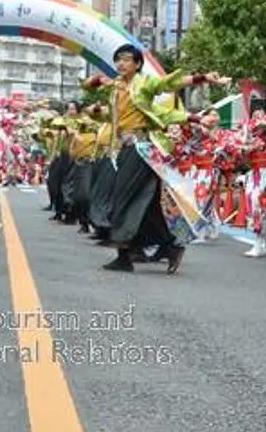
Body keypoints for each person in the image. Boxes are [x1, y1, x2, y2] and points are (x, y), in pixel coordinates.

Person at [80, 43, 227, 274]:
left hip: (140, 147)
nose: (121, 63)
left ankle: (125, 255)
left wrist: (203, 78)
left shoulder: (145, 84)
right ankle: (168, 245)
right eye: (118, 59)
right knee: (144, 202)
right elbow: (92, 90)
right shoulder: (116, 88)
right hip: (121, 150)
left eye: (127, 59)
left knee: (122, 198)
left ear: (138, 64)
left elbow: (170, 83)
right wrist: (95, 84)